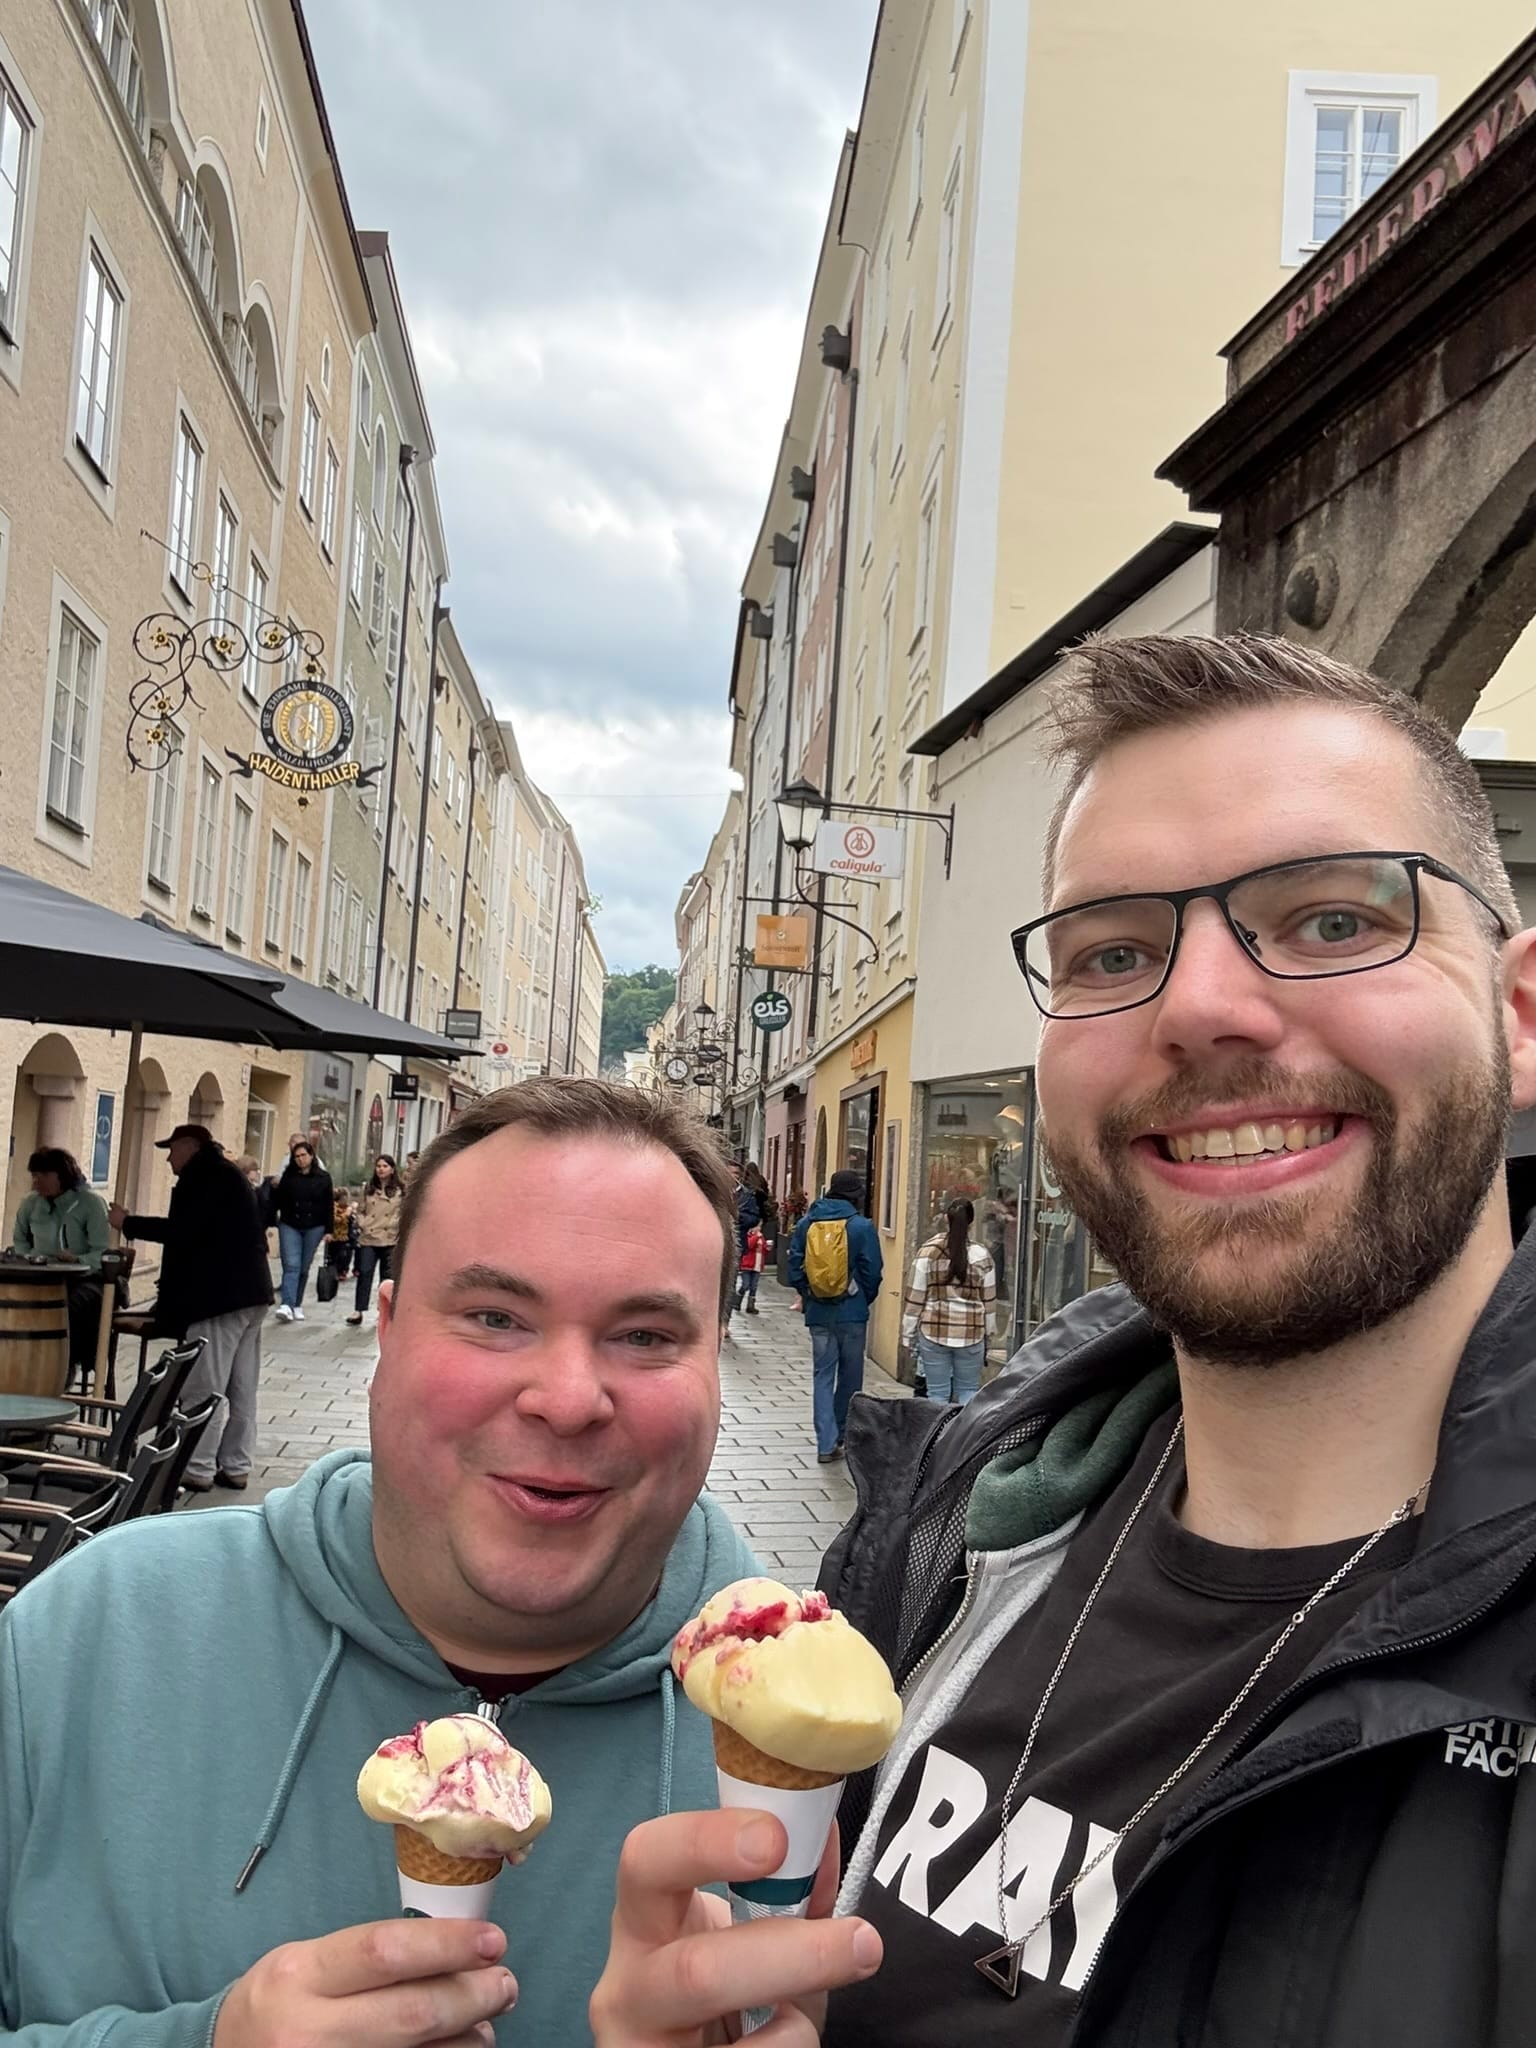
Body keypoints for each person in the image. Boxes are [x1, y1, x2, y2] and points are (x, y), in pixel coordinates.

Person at [589, 632, 1536, 2047]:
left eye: (1334, 920)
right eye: (1115, 951)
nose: (1198, 1006)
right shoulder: (956, 1524)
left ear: (1519, 1015)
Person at [4, 1079, 757, 2047]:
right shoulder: (88, 1634)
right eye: (494, 1316)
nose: (569, 1399)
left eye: (646, 1335)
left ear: (715, 1364)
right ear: (389, 1331)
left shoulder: (825, 1744)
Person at [108, 1123, 273, 1492]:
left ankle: (197, 1466)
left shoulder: (204, 1177)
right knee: (242, 1386)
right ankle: (236, 1465)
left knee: (204, 1385)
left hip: (218, 1297)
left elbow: (182, 1232)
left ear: (190, 1146)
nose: (169, 1159)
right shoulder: (225, 1174)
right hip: (251, 1293)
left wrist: (127, 1223)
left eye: (172, 1150)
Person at [787, 1167, 883, 1464]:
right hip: (852, 1313)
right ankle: (842, 1432)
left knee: (823, 1375)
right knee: (851, 1376)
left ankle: (825, 1442)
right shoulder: (861, 1226)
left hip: (819, 1314)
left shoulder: (807, 1224)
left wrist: (809, 1293)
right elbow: (873, 1271)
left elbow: (794, 1268)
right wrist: (862, 1298)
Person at [11, 1146, 110, 1373]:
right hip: (40, 1274)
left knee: (69, 1306)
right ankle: (20, 1362)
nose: (37, 1181)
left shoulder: (90, 1204)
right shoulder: (31, 1204)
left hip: (84, 1277)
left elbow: (102, 1252)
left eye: (44, 1175)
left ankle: (63, 1364)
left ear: (62, 1175)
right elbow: (20, 1240)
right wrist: (30, 1256)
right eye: (34, 1175)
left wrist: (78, 1259)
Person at [901, 1197, 996, 1406]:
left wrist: (907, 1333)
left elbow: (916, 1297)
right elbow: (989, 1303)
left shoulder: (928, 1252)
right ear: (971, 1222)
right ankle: (963, 1428)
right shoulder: (982, 1256)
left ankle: (937, 1427)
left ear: (946, 1219)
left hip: (934, 1332)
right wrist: (989, 1333)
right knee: (968, 1391)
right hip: (971, 1333)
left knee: (936, 1394)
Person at [272, 1139, 334, 1323]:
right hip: (290, 1224)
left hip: (314, 1226)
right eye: (297, 1156)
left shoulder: (323, 1178)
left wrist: (329, 1230)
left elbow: (328, 1204)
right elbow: (278, 1200)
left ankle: (296, 1304)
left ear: (311, 1156)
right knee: (291, 1264)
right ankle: (287, 1304)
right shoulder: (289, 1176)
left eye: (303, 1155)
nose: (300, 1159)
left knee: (304, 1266)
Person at [346, 1153, 403, 1327]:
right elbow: (360, 1209)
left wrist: (396, 1225)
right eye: (378, 1166)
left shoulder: (401, 1190)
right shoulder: (368, 1188)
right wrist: (363, 1223)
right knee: (364, 1272)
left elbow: (404, 1212)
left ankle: (384, 1311)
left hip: (390, 1238)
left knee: (387, 1278)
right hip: (368, 1237)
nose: (381, 1169)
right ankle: (359, 1309)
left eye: (385, 1166)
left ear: (392, 1169)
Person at [324, 1188, 358, 1285]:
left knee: (345, 1255)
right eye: (345, 1198)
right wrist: (346, 1214)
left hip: (345, 1236)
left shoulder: (348, 1207)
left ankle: (342, 1271)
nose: (346, 1201)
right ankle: (332, 1272)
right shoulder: (334, 1207)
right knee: (334, 1256)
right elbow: (334, 1220)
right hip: (335, 1236)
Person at [735, 1219, 767, 1316]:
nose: (759, 1228)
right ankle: (737, 1301)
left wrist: (767, 1248)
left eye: (760, 1226)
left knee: (754, 1287)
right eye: (757, 1226)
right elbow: (749, 1245)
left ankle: (750, 1306)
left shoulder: (761, 1237)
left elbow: (763, 1250)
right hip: (747, 1265)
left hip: (757, 1265)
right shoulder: (748, 1235)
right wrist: (756, 1236)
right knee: (746, 1285)